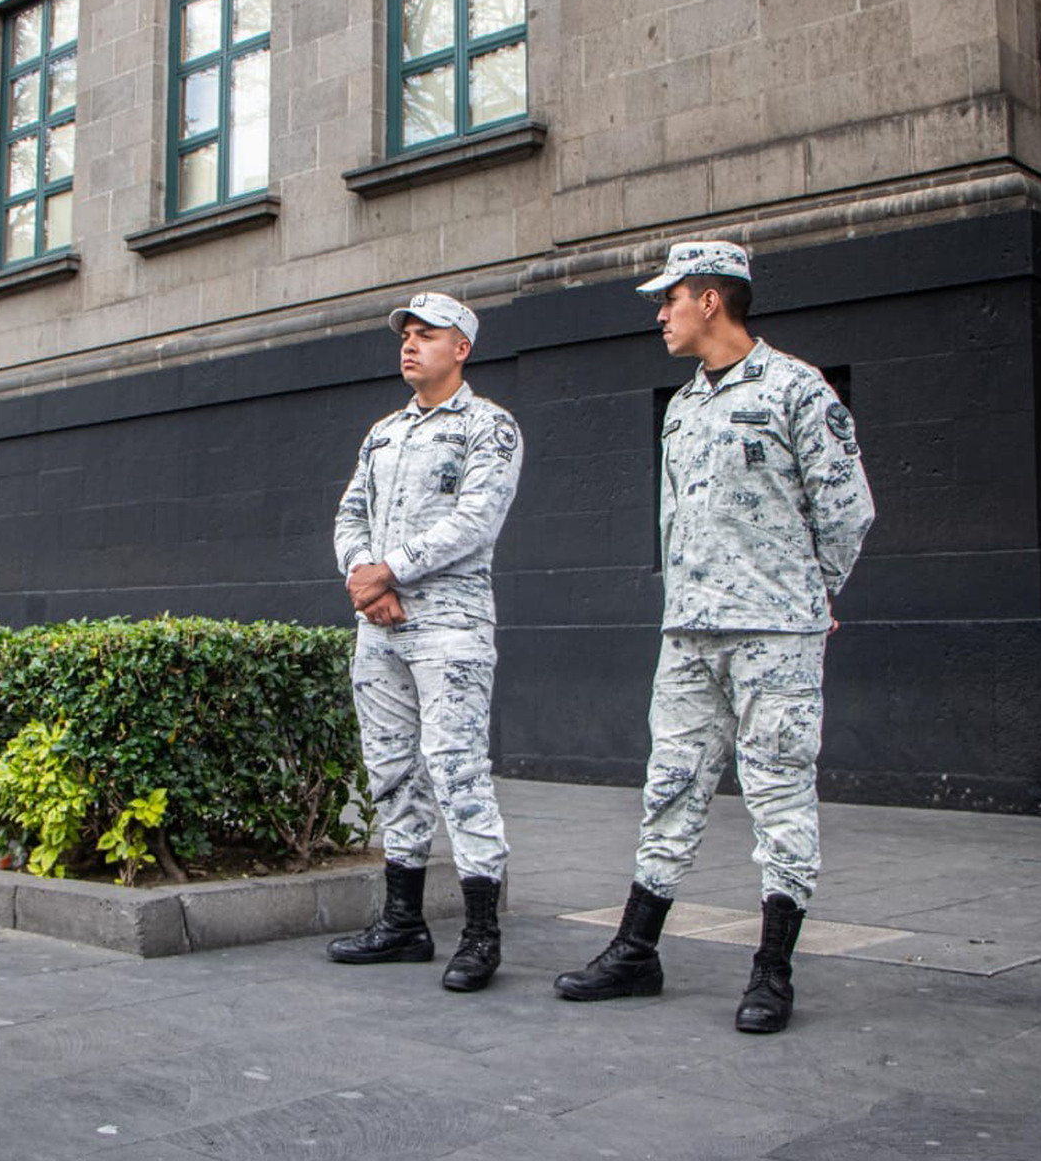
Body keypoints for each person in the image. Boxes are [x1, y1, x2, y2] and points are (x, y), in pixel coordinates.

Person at [554, 241, 874, 1033]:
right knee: (670, 786)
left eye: (669, 299)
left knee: (778, 795)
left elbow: (847, 508)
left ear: (709, 300)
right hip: (691, 632)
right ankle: (636, 951)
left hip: (774, 632)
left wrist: (815, 591)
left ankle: (772, 971)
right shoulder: (683, 406)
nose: (659, 314)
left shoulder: (798, 388)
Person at [329, 291, 522, 992]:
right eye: (406, 335)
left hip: (450, 630)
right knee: (390, 771)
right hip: (379, 630)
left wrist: (393, 570)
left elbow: (477, 519)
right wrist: (363, 574)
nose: (410, 345)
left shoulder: (490, 428)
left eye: (427, 335)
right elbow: (352, 511)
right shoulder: (383, 433)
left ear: (461, 348)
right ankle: (403, 923)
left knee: (457, 772)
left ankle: (481, 935)